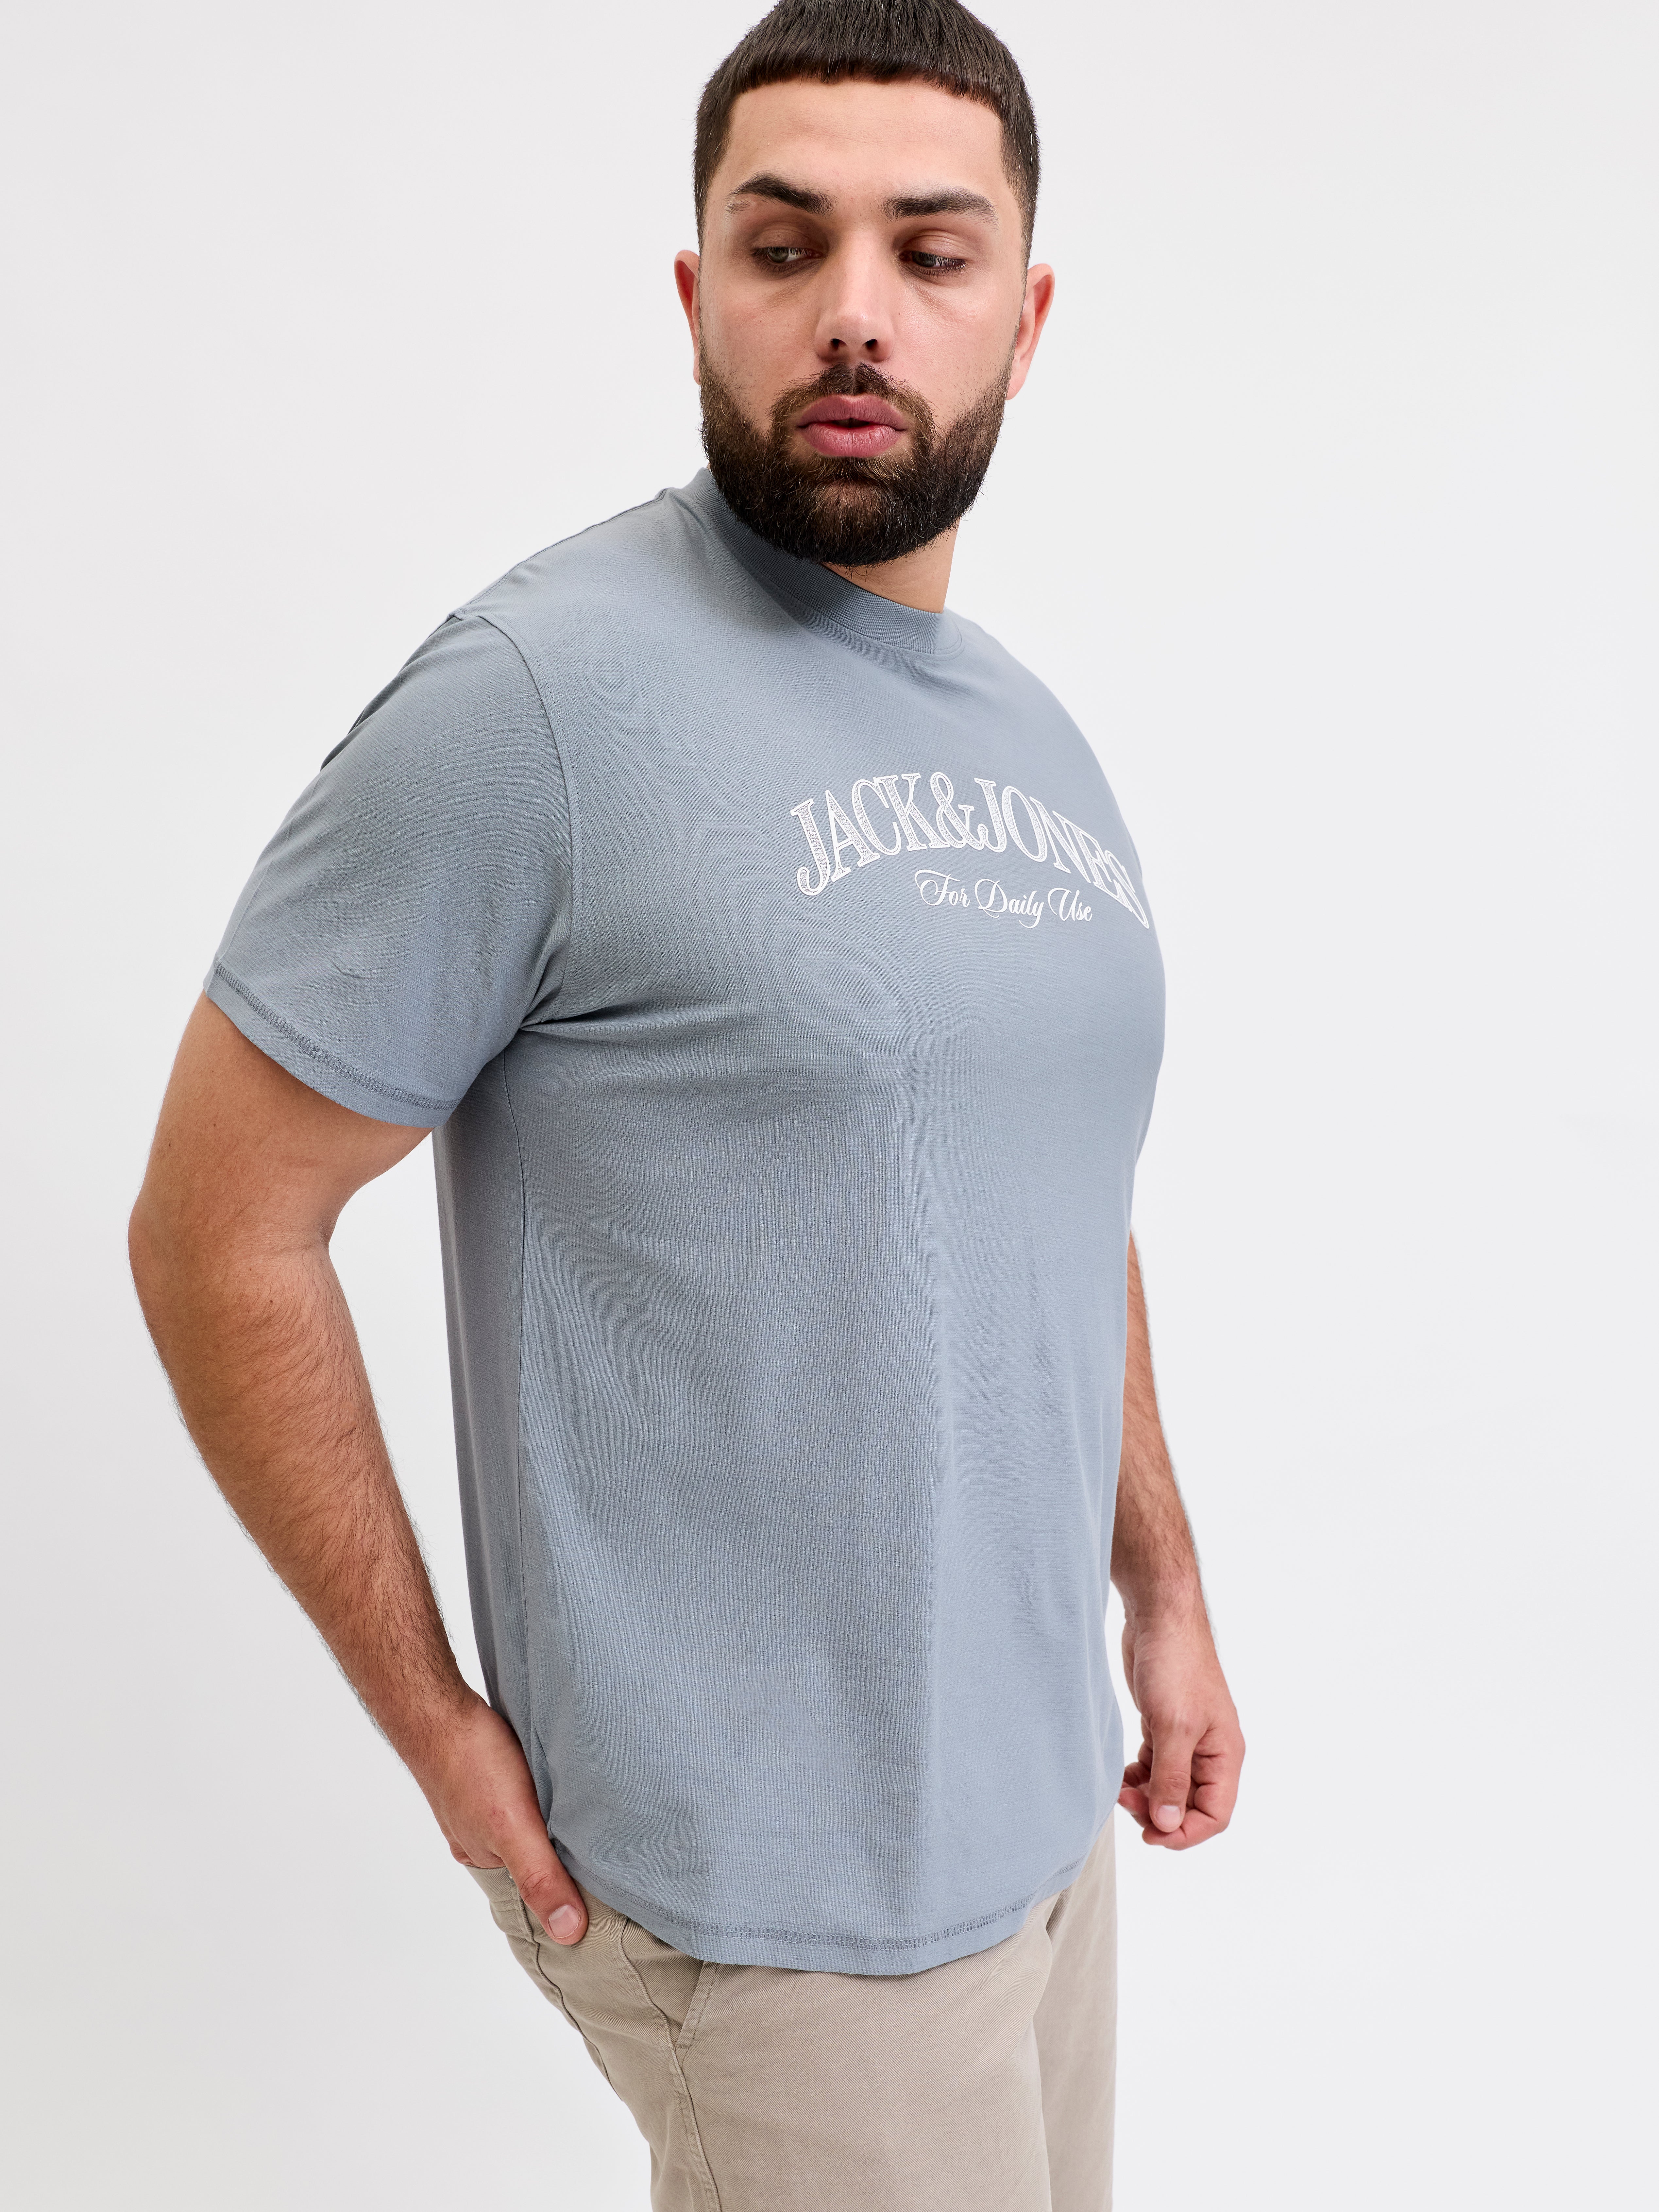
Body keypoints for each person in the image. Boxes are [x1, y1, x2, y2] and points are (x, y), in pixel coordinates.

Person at [129, 2, 1244, 2204]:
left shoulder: (1027, 732)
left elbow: (1038, 1189)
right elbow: (216, 1228)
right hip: (777, 1911)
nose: (855, 312)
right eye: (785, 243)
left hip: (1038, 1829)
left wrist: (1162, 1584)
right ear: (696, 290)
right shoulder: (536, 701)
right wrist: (436, 1727)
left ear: (1025, 319)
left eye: (931, 252)